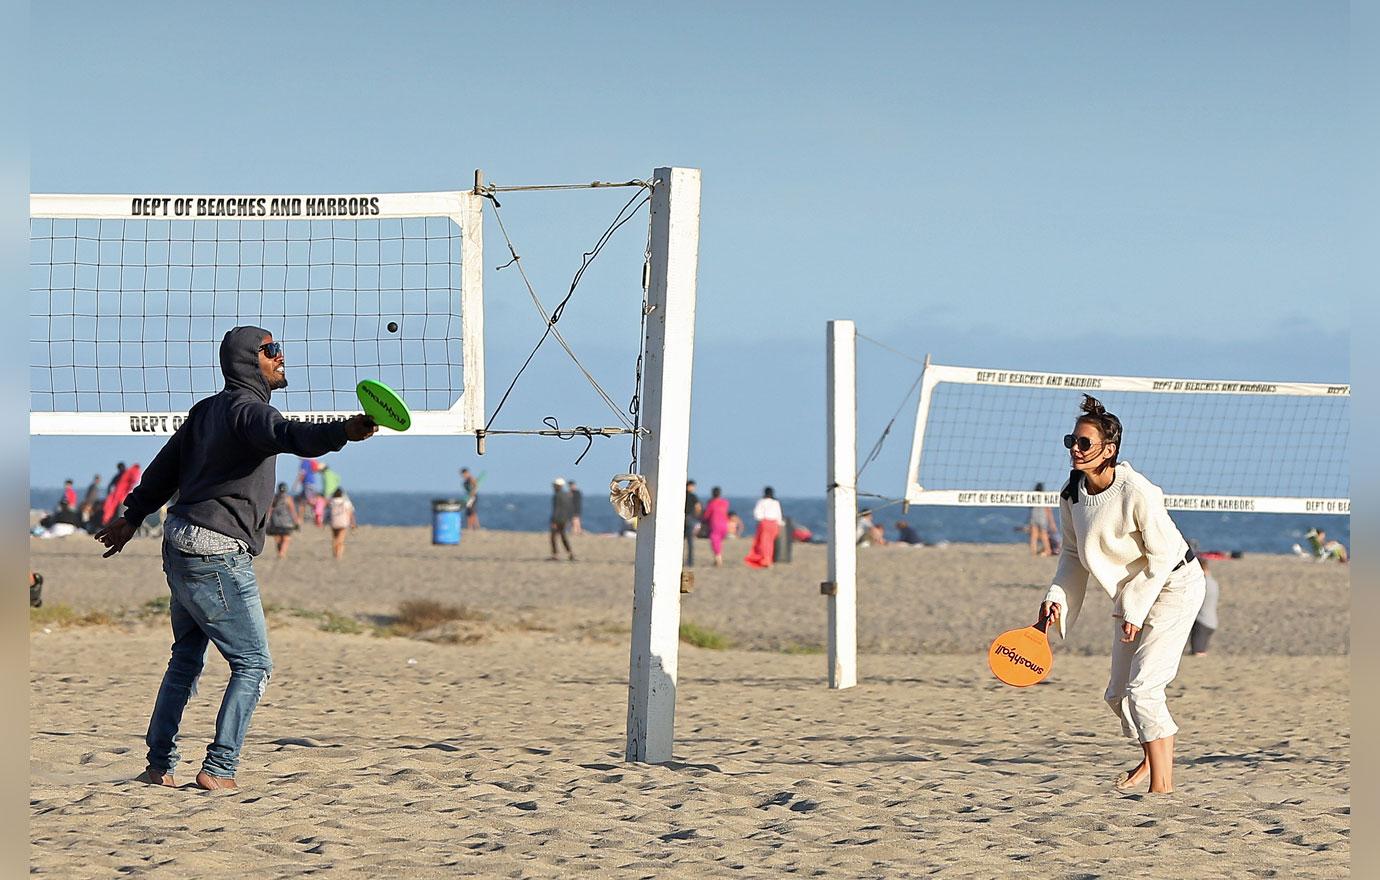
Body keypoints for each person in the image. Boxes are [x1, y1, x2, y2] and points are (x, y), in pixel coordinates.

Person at [95, 327, 378, 791]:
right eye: (271, 350)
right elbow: (288, 434)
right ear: (250, 360)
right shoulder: (250, 412)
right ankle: (219, 768)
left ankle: (158, 764)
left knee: (185, 658)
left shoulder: (206, 411)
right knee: (253, 663)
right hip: (216, 552)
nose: (281, 356)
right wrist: (342, 431)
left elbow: (163, 470)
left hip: (179, 540)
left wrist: (132, 517)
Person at [1038, 395, 1205, 795]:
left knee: (1144, 690)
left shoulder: (1138, 491)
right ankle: (1153, 750)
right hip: (1135, 593)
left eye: (1084, 443)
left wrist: (1134, 608)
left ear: (1109, 450)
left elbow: (1163, 556)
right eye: (1071, 442)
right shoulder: (1071, 494)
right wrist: (1056, 597)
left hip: (1174, 585)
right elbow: (1074, 554)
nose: (1075, 450)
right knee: (1118, 696)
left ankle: (1161, 790)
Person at [744, 487, 784, 569]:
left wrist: (761, 519)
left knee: (764, 543)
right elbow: (779, 515)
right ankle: (768, 559)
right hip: (774, 524)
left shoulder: (761, 502)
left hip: (765, 523)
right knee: (771, 543)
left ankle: (766, 560)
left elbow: (757, 514)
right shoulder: (776, 502)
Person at [1189, 557, 1220, 656]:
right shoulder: (1214, 582)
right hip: (1212, 621)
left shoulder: (1201, 583)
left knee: (1198, 653)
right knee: (1201, 650)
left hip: (1201, 622)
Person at [266, 482, 301, 559]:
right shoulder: (288, 498)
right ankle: (282, 553)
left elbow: (270, 510)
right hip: (286, 521)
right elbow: (293, 511)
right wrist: (296, 521)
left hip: (276, 521)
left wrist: (267, 520)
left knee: (278, 538)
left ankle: (280, 552)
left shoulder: (274, 498)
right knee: (286, 538)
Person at [702, 486, 731, 567]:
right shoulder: (725, 503)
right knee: (719, 542)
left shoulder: (711, 504)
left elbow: (706, 515)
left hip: (715, 524)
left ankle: (718, 559)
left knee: (715, 541)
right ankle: (717, 559)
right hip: (724, 524)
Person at [549, 478, 575, 561]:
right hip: (564, 519)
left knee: (553, 537)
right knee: (563, 536)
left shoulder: (557, 495)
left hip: (557, 519)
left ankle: (555, 554)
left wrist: (553, 521)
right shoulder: (566, 495)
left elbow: (556, 508)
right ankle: (570, 553)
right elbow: (569, 508)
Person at [1029, 482, 1057, 557]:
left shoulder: (1033, 496)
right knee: (1044, 535)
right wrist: (1052, 523)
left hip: (1034, 516)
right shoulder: (1044, 496)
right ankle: (1048, 550)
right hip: (1042, 517)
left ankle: (1033, 552)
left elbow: (1031, 508)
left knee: (1033, 535)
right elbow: (1048, 510)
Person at [327, 488, 356, 559]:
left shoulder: (331, 502)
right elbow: (350, 513)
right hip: (343, 522)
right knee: (341, 539)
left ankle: (334, 553)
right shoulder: (346, 502)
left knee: (334, 538)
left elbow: (328, 513)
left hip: (334, 522)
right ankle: (339, 555)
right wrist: (353, 523)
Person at [684, 480, 702, 567]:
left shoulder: (681, 494)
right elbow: (698, 507)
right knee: (690, 542)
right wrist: (696, 516)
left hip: (681, 518)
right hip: (689, 518)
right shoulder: (692, 496)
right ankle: (690, 562)